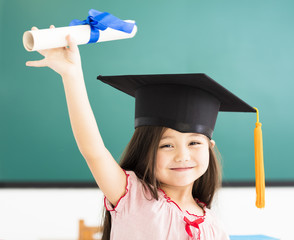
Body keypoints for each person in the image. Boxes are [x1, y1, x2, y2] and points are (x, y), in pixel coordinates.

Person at [26, 26, 262, 240]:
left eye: (194, 143)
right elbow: (93, 151)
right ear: (147, 148)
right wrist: (71, 75)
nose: (182, 155)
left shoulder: (214, 228)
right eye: (166, 145)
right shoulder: (133, 197)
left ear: (210, 148)